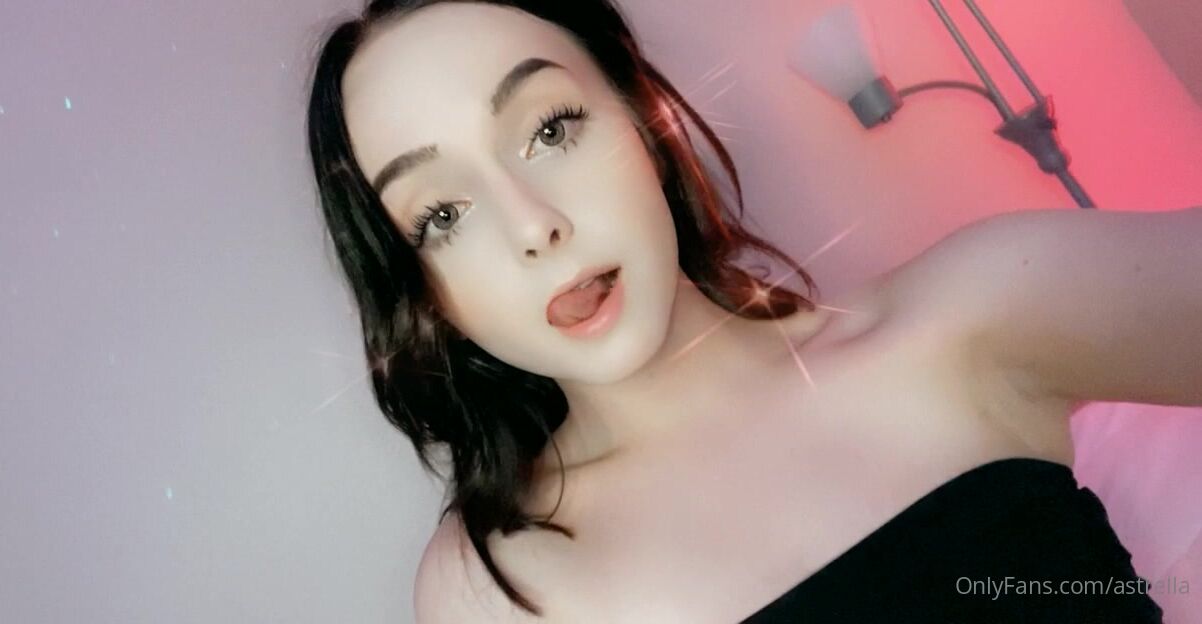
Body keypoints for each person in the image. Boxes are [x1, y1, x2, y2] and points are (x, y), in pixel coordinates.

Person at [305, 0, 1197, 621]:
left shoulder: (974, 317)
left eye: (550, 129)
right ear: (420, 288)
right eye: (442, 215)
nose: (533, 228)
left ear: (646, 119)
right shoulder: (499, 582)